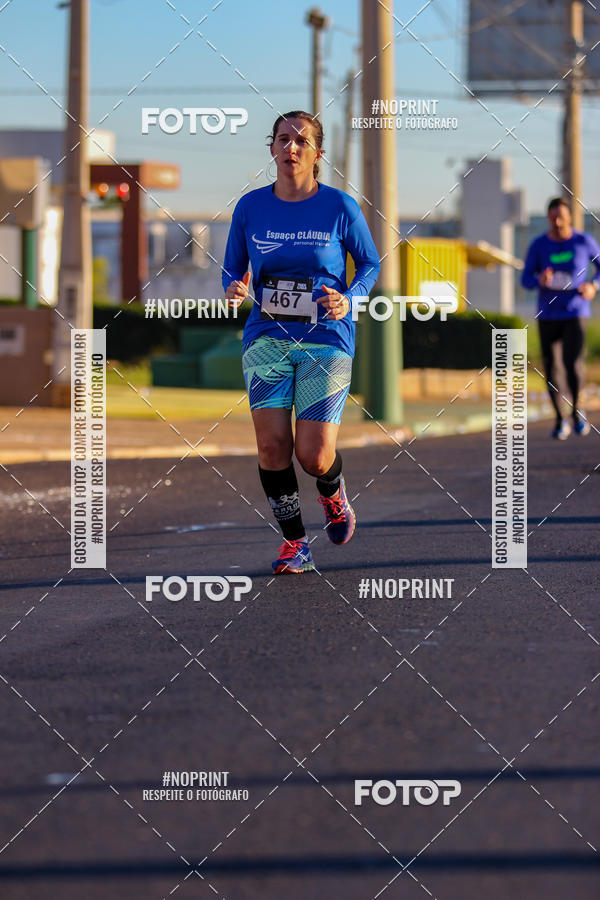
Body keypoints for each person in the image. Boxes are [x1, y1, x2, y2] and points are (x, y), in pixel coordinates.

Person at [223, 110, 380, 573]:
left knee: (313, 455)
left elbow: (369, 264)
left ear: (317, 153)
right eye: (283, 139)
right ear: (271, 148)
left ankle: (332, 492)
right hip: (267, 334)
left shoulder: (340, 207)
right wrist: (233, 287)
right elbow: (233, 268)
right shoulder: (250, 207)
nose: (291, 147)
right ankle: (295, 543)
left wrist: (349, 298)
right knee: (272, 447)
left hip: (326, 337)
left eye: (302, 141)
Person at [521, 197, 600, 439]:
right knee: (552, 367)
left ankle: (577, 411)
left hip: (575, 311)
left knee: (572, 363)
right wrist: (539, 280)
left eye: (561, 217)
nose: (557, 222)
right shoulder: (539, 245)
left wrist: (594, 286)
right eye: (553, 218)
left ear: (570, 218)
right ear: (548, 218)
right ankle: (559, 418)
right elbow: (525, 279)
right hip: (548, 314)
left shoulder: (583, 241)